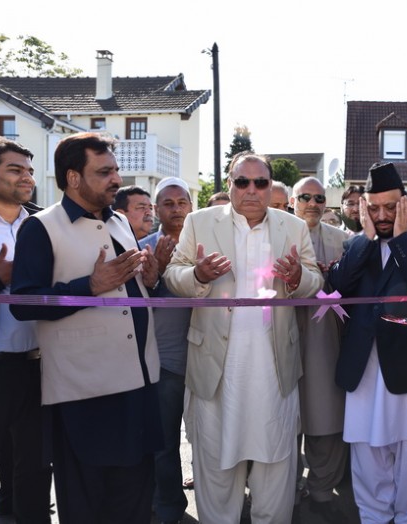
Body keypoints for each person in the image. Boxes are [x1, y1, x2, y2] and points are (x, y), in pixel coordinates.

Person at [10, 132, 163, 523]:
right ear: (73, 177)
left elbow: (130, 290)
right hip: (85, 394)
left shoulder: (120, 223)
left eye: (116, 170)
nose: (116, 179)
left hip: (140, 384)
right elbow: (24, 305)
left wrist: (152, 277)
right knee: (86, 504)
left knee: (135, 500)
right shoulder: (40, 227)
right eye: (105, 171)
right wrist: (89, 287)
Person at [164, 151, 323, 523]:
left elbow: (316, 281)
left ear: (269, 187)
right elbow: (173, 275)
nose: (251, 190)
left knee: (276, 467)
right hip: (216, 371)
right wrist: (199, 276)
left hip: (273, 371)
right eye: (242, 182)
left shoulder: (292, 227)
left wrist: (299, 279)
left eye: (260, 183)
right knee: (216, 468)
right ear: (230, 184)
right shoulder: (199, 222)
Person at [328, 162, 407, 524]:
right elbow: (336, 286)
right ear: (363, 206)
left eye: (391, 207)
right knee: (366, 448)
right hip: (363, 366)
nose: (382, 216)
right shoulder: (356, 245)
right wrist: (366, 240)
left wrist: (400, 239)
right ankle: (374, 518)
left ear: (405, 204)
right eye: (374, 207)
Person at [0, 137, 52, 524]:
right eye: (15, 169)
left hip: (41, 366)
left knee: (37, 468)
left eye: (30, 170)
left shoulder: (44, 222)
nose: (27, 178)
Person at [289, 177, 350, 522]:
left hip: (325, 337)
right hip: (282, 333)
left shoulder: (342, 240)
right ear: (293, 202)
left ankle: (322, 490)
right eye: (305, 197)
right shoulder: (278, 234)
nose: (313, 203)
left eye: (319, 198)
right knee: (285, 419)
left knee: (325, 416)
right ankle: (289, 488)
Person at [139, 177, 193, 524]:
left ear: (192, 205)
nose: (175, 209)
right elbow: (136, 309)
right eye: (168, 203)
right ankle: (170, 507)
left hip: (213, 359)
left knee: (213, 441)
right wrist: (155, 278)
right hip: (167, 364)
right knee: (164, 446)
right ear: (156, 209)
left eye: (182, 202)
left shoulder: (208, 242)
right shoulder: (141, 248)